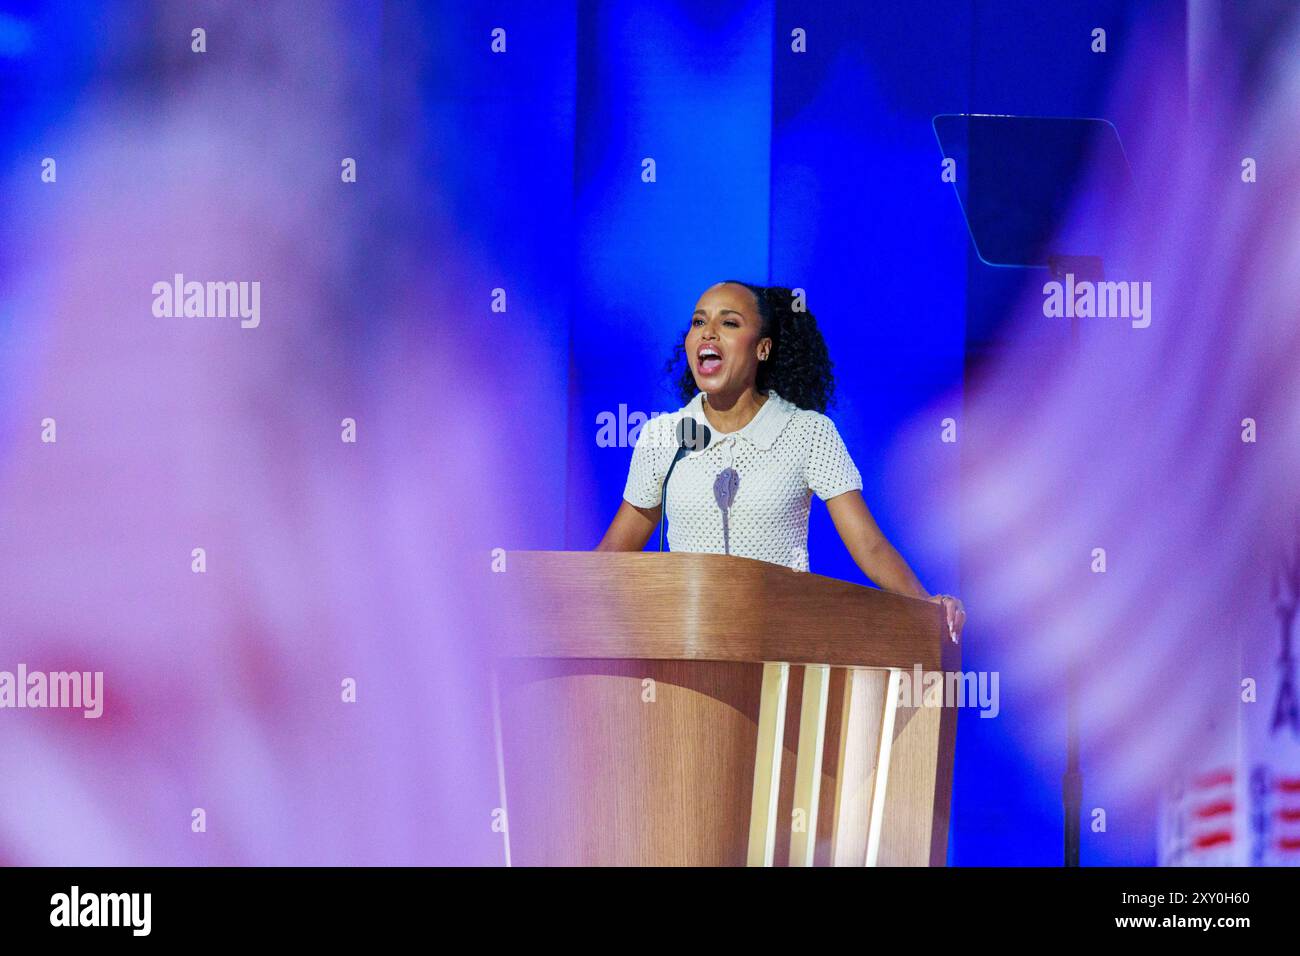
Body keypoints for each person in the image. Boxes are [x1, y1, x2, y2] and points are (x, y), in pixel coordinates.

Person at [595, 279, 966, 641]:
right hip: (688, 646)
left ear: (762, 349)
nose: (707, 333)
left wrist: (925, 604)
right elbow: (615, 553)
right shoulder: (663, 436)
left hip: (780, 645)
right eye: (698, 321)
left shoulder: (808, 432)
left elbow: (868, 545)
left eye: (728, 322)